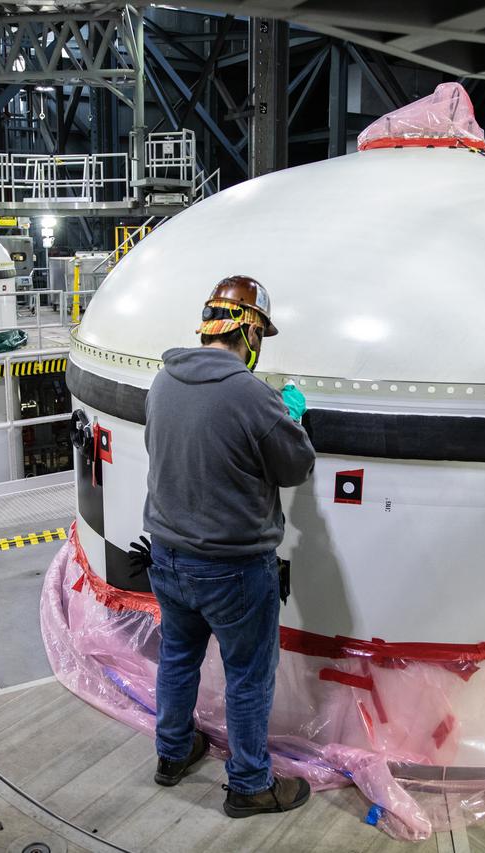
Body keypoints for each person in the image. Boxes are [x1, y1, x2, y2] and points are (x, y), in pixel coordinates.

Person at [140, 275, 316, 818]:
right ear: (252, 335)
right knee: (247, 677)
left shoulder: (163, 381)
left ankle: (172, 754)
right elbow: (295, 466)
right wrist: (291, 419)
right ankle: (249, 784)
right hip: (234, 568)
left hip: (166, 557)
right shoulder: (250, 395)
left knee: (177, 657)